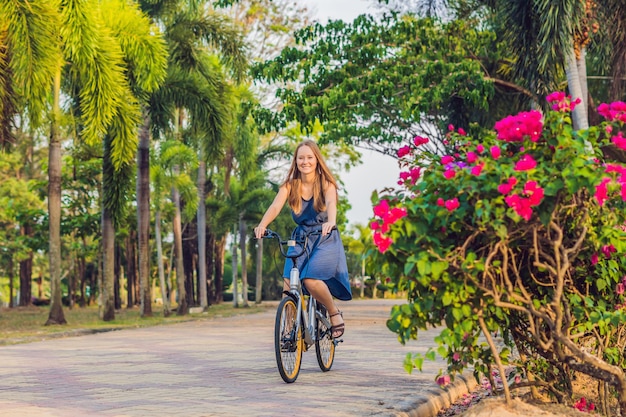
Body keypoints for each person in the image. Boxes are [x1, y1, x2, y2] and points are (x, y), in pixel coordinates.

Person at [254, 140, 352, 338]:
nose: (305, 161)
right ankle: (289, 330)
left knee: (310, 280)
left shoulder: (326, 183)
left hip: (324, 236)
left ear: (316, 159)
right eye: (301, 158)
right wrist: (263, 224)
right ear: (296, 161)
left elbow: (331, 202)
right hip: (300, 238)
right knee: (288, 284)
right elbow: (275, 207)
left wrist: (331, 222)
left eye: (309, 157)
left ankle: (334, 313)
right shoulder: (290, 186)